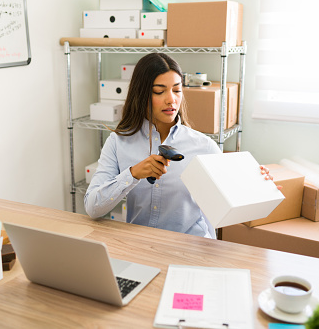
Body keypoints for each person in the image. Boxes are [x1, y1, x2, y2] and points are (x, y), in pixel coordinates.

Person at [84, 52, 223, 239]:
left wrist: (259, 183)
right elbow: (93, 207)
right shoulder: (118, 142)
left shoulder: (204, 147)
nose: (171, 99)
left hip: (189, 249)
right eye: (159, 91)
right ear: (141, 94)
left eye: (176, 90)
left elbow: (228, 202)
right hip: (141, 248)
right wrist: (132, 174)